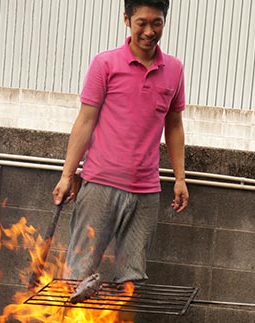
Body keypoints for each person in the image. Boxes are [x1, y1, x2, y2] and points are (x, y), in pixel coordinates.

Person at [52, 0, 188, 287]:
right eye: (142, 22)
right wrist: (67, 176)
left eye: (157, 23)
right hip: (100, 183)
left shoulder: (174, 70)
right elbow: (85, 121)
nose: (149, 31)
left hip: (146, 191)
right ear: (127, 19)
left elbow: (174, 125)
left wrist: (179, 179)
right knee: (79, 272)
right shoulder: (105, 63)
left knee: (132, 279)